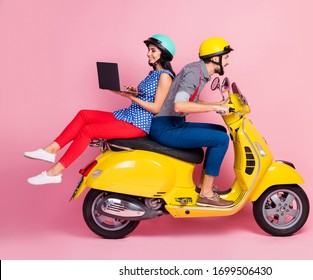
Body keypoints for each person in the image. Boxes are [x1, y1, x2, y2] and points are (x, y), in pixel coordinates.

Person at [25, 34, 176, 185]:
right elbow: (149, 96)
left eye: (153, 50)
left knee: (88, 131)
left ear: (163, 53)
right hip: (129, 115)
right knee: (84, 115)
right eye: (149, 50)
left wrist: (131, 97)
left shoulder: (165, 76)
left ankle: (55, 172)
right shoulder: (154, 74)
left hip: (138, 124)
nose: (148, 53)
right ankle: (50, 150)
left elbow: (156, 107)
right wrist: (134, 91)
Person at [149, 37, 234, 208]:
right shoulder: (195, 72)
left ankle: (204, 185)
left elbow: (188, 101)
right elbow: (180, 105)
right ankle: (207, 194)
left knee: (220, 131)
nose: (228, 62)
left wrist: (218, 105)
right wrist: (214, 106)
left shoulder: (199, 72)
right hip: (165, 128)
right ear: (214, 58)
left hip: (174, 123)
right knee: (221, 140)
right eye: (225, 58)